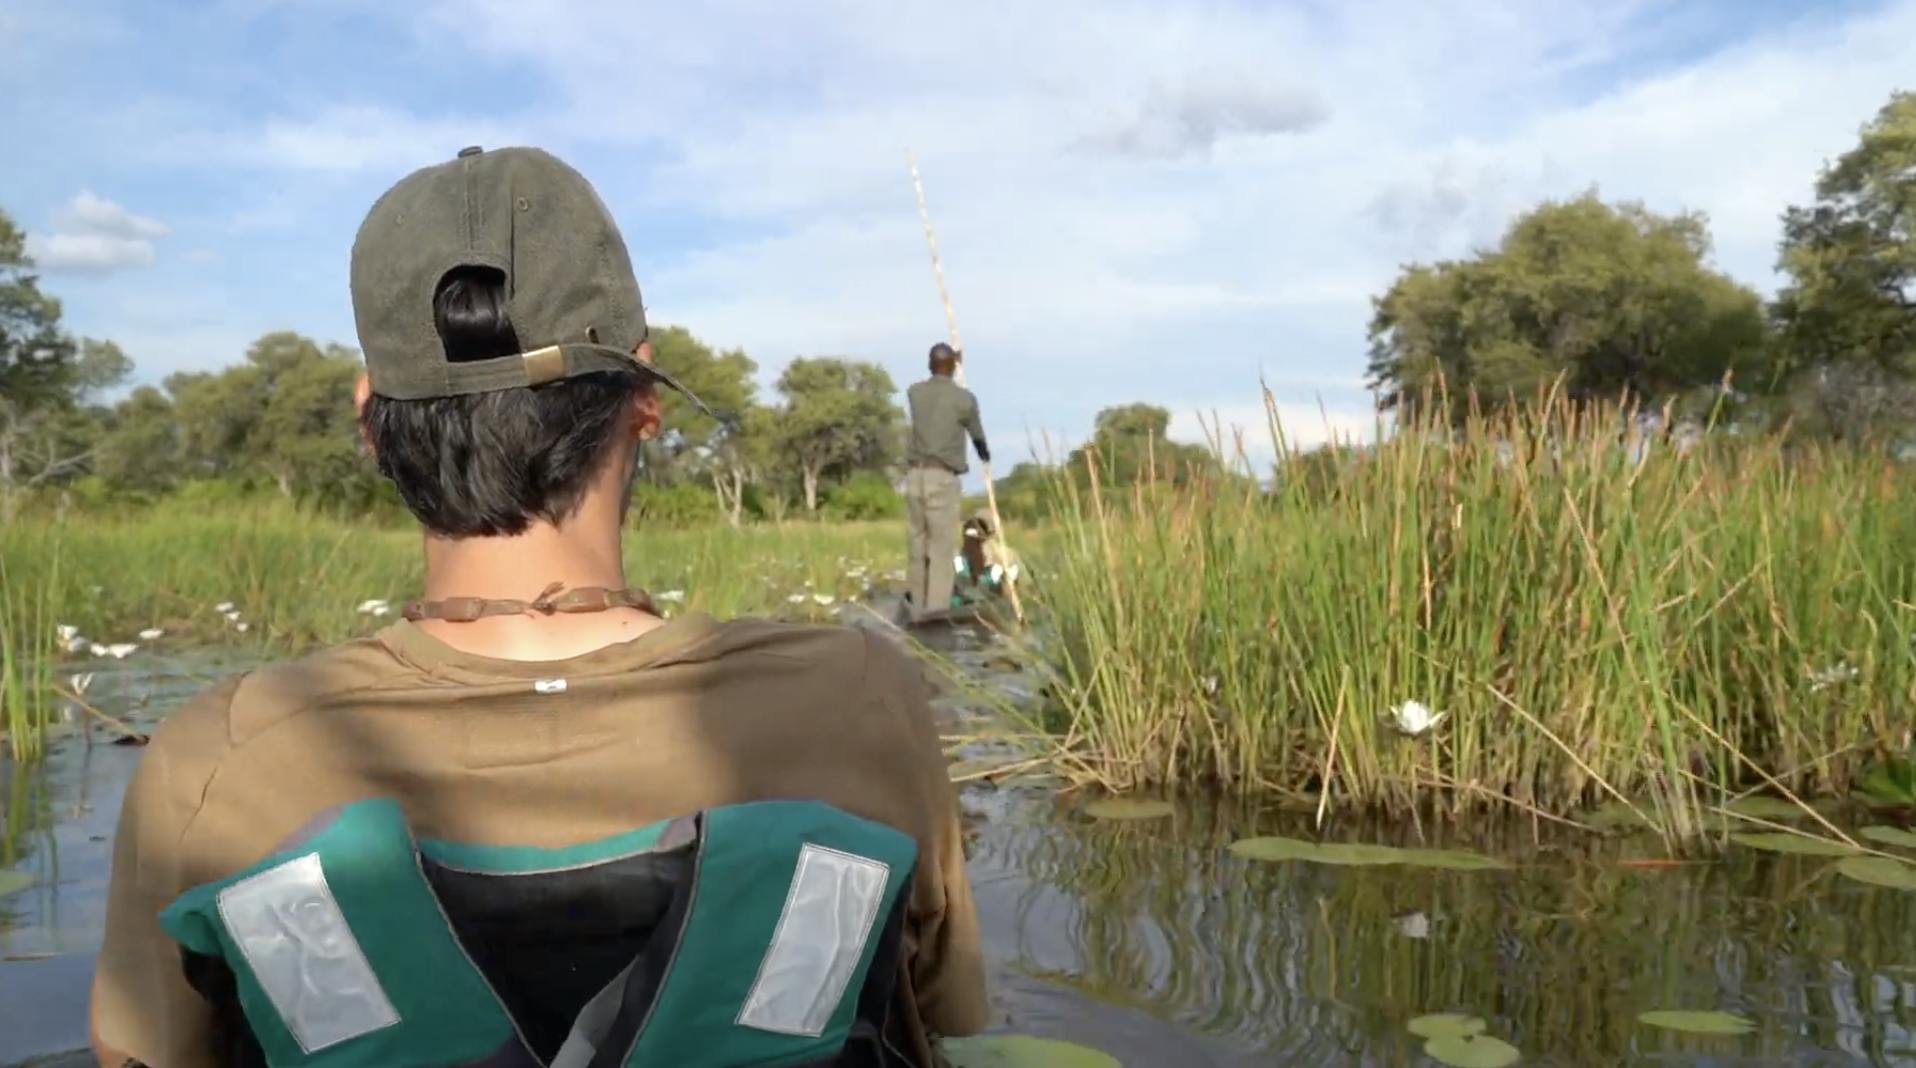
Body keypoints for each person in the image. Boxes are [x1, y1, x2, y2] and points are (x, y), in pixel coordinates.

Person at [88, 146, 986, 1068]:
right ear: (644, 396)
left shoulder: (215, 759)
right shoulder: (859, 697)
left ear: (371, 421)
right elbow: (941, 1008)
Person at [903, 344, 989, 621]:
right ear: (952, 366)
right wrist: (985, 456)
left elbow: (936, 386)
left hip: (915, 477)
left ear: (929, 364)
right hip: (942, 478)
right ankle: (936, 611)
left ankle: (917, 606)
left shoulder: (915, 393)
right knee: (941, 548)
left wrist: (951, 363)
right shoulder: (964, 399)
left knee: (917, 545)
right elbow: (976, 434)